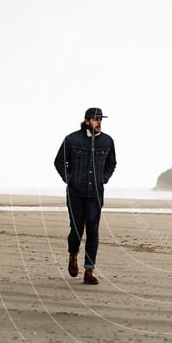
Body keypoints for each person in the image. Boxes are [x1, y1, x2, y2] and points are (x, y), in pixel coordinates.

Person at [53, 107, 117, 284]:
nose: (99, 123)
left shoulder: (107, 141)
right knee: (76, 230)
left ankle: (89, 271)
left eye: (100, 120)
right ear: (87, 120)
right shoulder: (72, 139)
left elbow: (111, 163)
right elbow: (59, 162)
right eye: (96, 119)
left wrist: (103, 179)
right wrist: (69, 179)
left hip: (95, 194)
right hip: (75, 193)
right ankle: (73, 256)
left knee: (93, 231)